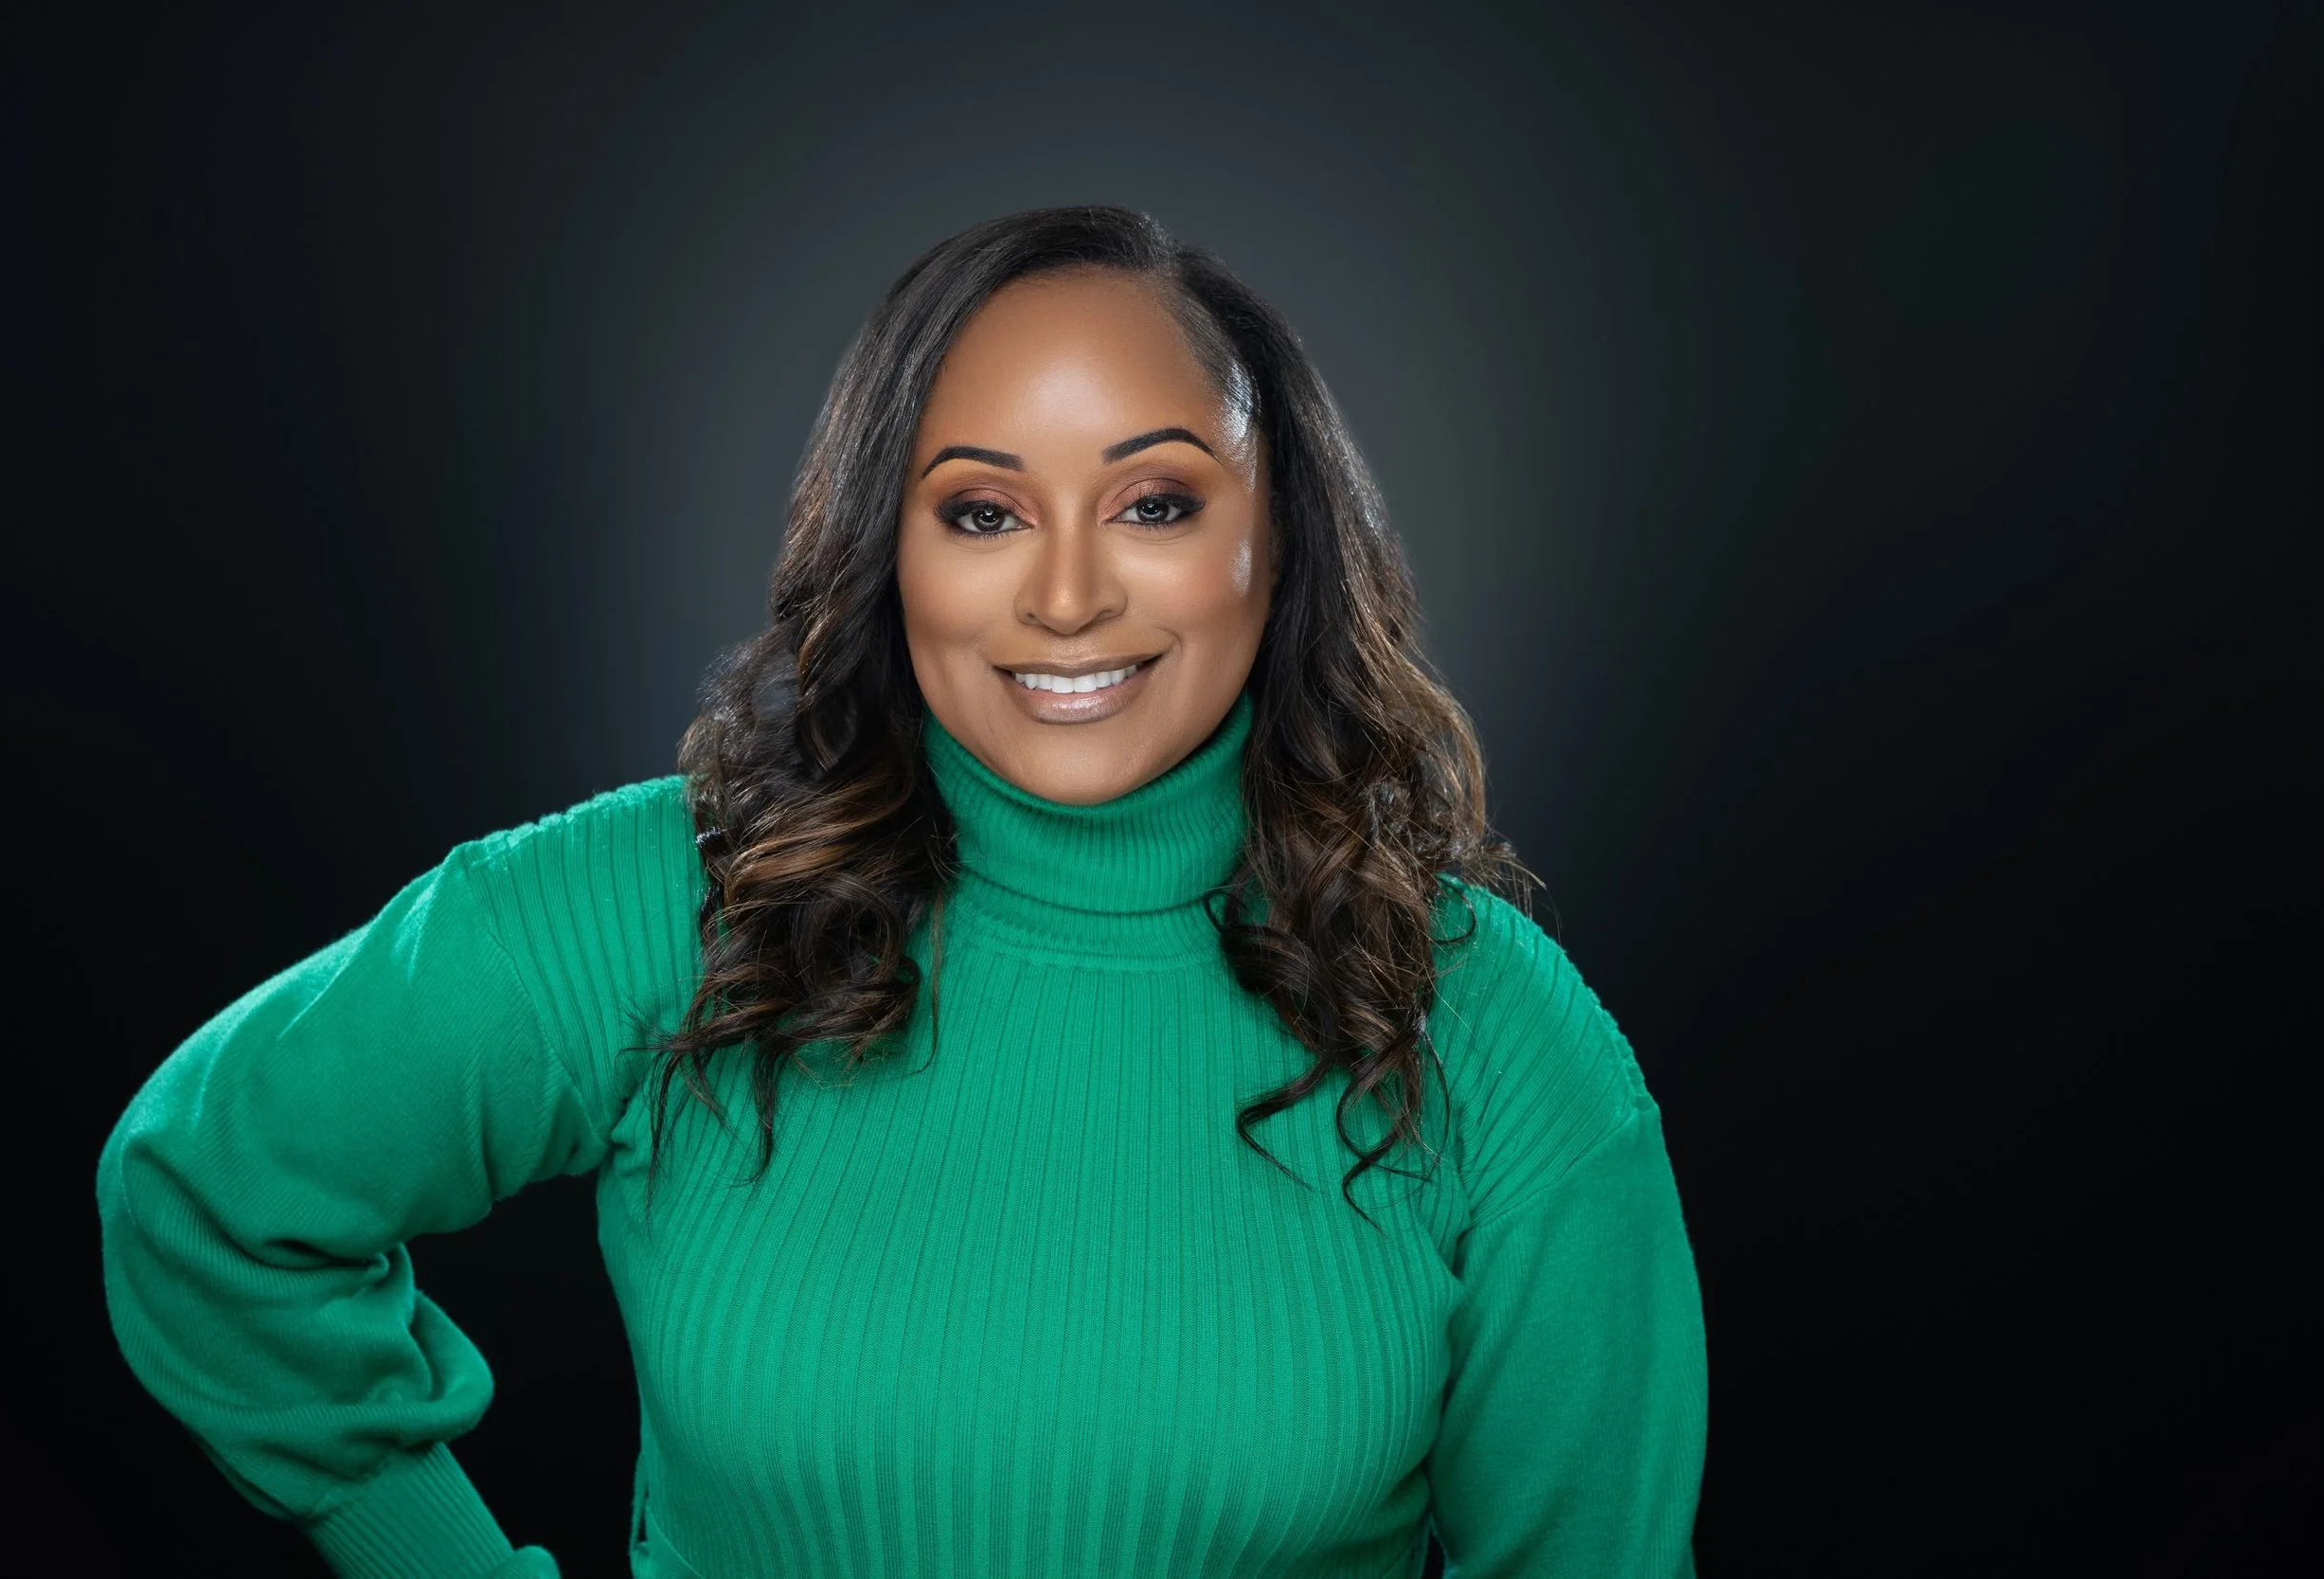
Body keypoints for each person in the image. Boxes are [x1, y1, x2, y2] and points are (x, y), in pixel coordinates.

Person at [98, 205, 1707, 1579]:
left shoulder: (1494, 1032)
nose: (1066, 594)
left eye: (1155, 502)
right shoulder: (674, 899)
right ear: (893, 546)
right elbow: (205, 1190)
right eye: (983, 511)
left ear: (1278, 542)